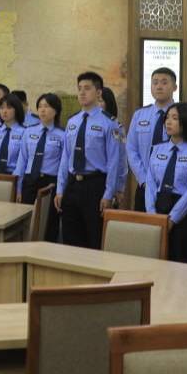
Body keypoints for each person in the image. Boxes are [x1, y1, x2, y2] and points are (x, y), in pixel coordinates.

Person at [56, 72, 126, 250]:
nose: (82, 92)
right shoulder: (72, 121)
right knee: (71, 240)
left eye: (87, 88)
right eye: (79, 88)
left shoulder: (109, 123)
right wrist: (60, 189)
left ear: (98, 92)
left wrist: (109, 193)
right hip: (73, 184)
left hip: (95, 185)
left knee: (94, 239)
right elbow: (65, 158)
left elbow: (114, 161)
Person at [144, 101, 187, 264]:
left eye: (175, 118)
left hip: (184, 213)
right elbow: (150, 183)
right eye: (167, 118)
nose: (168, 122)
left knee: (182, 264)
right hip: (159, 206)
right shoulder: (157, 149)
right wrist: (152, 214)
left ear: (186, 121)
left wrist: (173, 219)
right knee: (156, 263)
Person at [16, 93, 66, 242]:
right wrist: (18, 187)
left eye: (47, 106)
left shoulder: (63, 135)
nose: (42, 110)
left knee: (49, 223)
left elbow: (63, 165)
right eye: (40, 106)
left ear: (56, 110)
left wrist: (60, 189)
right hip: (30, 180)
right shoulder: (29, 131)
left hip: (50, 182)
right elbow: (22, 161)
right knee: (26, 220)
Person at [127, 67, 177, 213]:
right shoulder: (140, 115)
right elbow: (131, 149)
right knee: (143, 226)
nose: (159, 86)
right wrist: (144, 179)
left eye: (164, 82)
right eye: (155, 82)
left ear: (174, 87)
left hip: (173, 188)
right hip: (144, 186)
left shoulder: (182, 115)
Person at [0, 93, 26, 189]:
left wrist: (13, 180)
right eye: (2, 108)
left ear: (17, 109)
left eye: (9, 108)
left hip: (14, 177)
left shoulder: (24, 132)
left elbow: (22, 161)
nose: (4, 111)